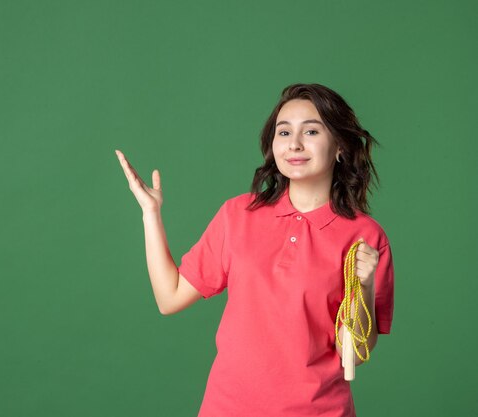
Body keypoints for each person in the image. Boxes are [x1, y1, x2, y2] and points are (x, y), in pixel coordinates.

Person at [115, 83, 394, 417]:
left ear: (339, 147)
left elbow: (355, 355)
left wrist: (363, 287)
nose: (294, 143)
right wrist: (151, 214)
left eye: (311, 131)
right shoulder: (238, 215)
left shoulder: (364, 237)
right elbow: (169, 297)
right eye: (284, 131)